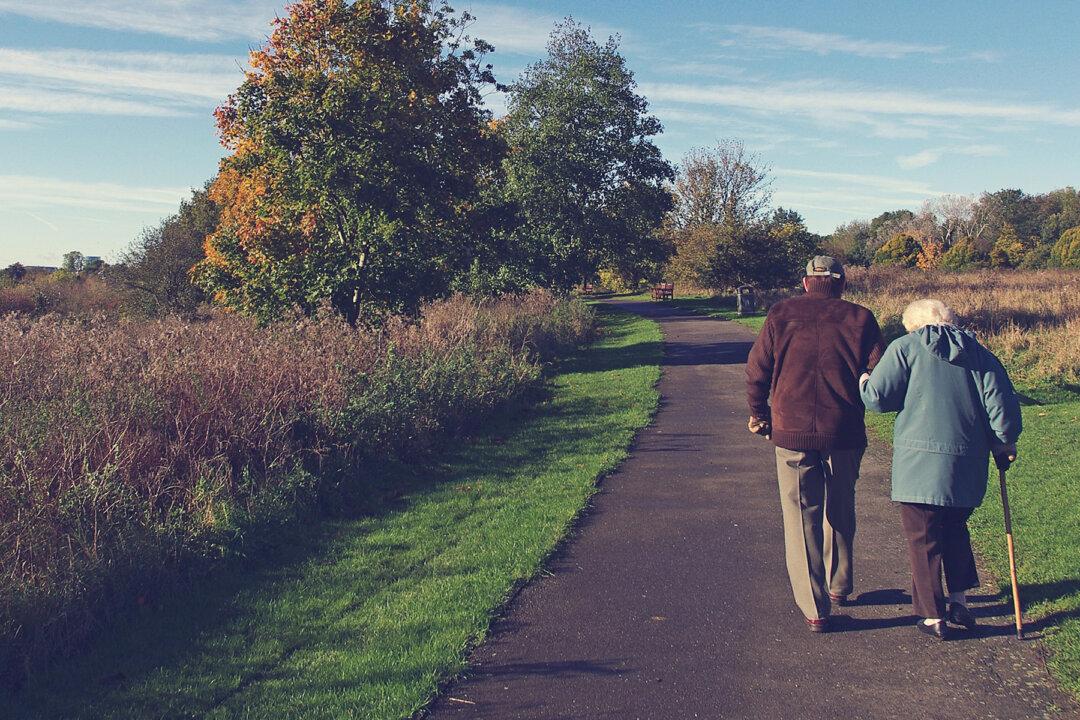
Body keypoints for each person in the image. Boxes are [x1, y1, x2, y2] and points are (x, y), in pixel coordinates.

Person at [860, 298, 1021, 639]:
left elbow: (878, 398)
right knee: (955, 528)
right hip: (967, 463)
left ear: (913, 326)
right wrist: (1005, 443)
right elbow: (1002, 412)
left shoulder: (906, 348)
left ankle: (933, 615)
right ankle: (959, 600)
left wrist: (863, 380)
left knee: (923, 537)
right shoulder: (980, 354)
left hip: (918, 464)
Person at [746, 256, 885, 632]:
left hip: (791, 429)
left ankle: (815, 608)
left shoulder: (781, 314)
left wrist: (759, 413)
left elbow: (757, 369)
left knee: (801, 516)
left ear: (806, 283)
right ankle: (839, 584)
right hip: (844, 429)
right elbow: (878, 372)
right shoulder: (861, 318)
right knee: (841, 505)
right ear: (841, 283)